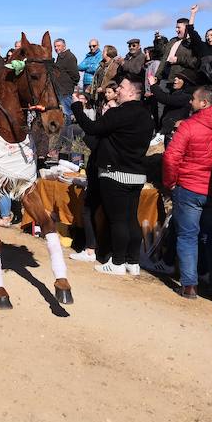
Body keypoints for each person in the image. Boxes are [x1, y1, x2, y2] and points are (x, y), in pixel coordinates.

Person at [70, 76, 153, 275]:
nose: (118, 91)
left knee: (118, 221)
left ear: (132, 92)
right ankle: (132, 262)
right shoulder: (146, 115)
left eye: (122, 88)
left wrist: (77, 109)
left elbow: (92, 128)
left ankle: (117, 263)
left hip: (116, 173)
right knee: (131, 219)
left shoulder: (120, 113)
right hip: (137, 174)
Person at [162, 85, 212, 299]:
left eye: (193, 99)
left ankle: (189, 285)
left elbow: (171, 157)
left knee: (187, 236)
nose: (190, 102)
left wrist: (170, 183)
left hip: (189, 187)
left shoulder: (189, 126)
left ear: (204, 103)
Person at [146, 72, 196, 147]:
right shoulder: (177, 93)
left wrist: (153, 85)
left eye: (180, 78)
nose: (175, 79)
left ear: (186, 83)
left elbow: (165, 98)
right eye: (176, 77)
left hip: (172, 134)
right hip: (165, 131)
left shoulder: (186, 97)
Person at [155, 16, 199, 85]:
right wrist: (158, 41)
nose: (176, 30)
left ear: (186, 28)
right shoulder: (173, 40)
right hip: (164, 78)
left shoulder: (193, 43)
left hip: (179, 81)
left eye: (178, 27)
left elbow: (195, 62)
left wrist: (178, 60)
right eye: (176, 27)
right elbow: (162, 53)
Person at [53, 38, 79, 120]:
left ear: (64, 46)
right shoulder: (60, 57)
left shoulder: (69, 57)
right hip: (60, 90)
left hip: (65, 91)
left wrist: (70, 85)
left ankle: (68, 132)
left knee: (67, 113)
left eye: (58, 46)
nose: (56, 48)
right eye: (55, 46)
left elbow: (75, 75)